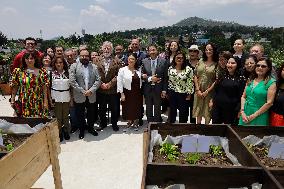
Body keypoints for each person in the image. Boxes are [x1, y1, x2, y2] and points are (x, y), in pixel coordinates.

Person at [69, 49, 101, 139]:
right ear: (79, 56)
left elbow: (98, 80)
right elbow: (72, 81)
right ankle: (82, 130)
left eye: (86, 56)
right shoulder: (74, 66)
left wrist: (91, 90)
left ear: (89, 56)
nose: (84, 57)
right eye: (82, 56)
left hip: (91, 95)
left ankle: (91, 128)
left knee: (91, 113)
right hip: (79, 95)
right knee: (80, 114)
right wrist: (82, 91)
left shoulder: (94, 67)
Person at [239, 57, 276, 126]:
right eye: (258, 65)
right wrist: (242, 111)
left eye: (263, 66)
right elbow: (243, 97)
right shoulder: (251, 79)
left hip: (259, 114)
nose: (260, 68)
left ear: (268, 68)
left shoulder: (271, 82)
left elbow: (269, 103)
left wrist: (253, 115)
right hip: (245, 113)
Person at [10, 52, 49, 118]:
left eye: (31, 58)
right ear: (24, 60)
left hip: (38, 101)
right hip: (23, 102)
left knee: (38, 124)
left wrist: (45, 102)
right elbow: (15, 87)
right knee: (24, 124)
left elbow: (44, 87)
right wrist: (12, 100)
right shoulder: (18, 72)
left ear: (35, 59)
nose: (29, 60)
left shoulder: (42, 71)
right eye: (27, 58)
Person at [211, 56, 246, 125]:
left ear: (237, 65)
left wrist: (240, 109)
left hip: (231, 110)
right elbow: (216, 90)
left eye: (233, 63)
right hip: (217, 108)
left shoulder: (241, 79)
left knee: (229, 131)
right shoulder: (222, 76)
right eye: (228, 63)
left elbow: (241, 96)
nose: (230, 65)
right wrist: (212, 100)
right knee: (215, 130)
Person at [96, 41, 122, 131]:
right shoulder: (96, 60)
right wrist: (101, 83)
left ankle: (114, 124)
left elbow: (118, 75)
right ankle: (103, 123)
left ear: (112, 49)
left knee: (114, 108)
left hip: (113, 90)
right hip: (101, 89)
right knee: (102, 108)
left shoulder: (117, 60)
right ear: (102, 49)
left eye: (108, 48)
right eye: (105, 48)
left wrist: (110, 84)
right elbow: (94, 74)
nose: (106, 50)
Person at [193, 43, 218, 124]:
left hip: (210, 92)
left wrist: (207, 91)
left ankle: (206, 132)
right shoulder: (200, 61)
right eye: (206, 49)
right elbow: (195, 75)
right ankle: (198, 131)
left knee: (207, 112)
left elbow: (216, 80)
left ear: (214, 51)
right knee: (198, 111)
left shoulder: (216, 63)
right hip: (199, 91)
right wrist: (197, 90)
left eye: (210, 50)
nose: (208, 51)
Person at [142, 45, 167, 122]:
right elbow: (142, 75)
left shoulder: (163, 61)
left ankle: (157, 124)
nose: (152, 52)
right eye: (150, 50)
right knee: (148, 107)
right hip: (147, 89)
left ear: (157, 51)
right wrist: (150, 78)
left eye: (154, 50)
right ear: (148, 52)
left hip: (159, 88)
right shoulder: (144, 61)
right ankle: (150, 123)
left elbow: (165, 77)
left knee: (157, 107)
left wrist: (164, 90)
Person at [117, 53, 143, 131]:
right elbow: (119, 82)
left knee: (136, 107)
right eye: (129, 59)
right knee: (127, 108)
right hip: (127, 92)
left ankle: (135, 123)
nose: (130, 60)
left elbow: (142, 79)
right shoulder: (122, 70)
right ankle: (129, 122)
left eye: (132, 59)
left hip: (137, 93)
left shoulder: (139, 69)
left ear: (135, 60)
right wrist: (122, 94)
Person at [167, 51, 194, 123]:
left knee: (183, 113)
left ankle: (182, 129)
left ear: (184, 59)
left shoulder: (188, 69)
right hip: (172, 93)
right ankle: (172, 129)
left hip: (184, 94)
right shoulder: (170, 68)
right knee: (172, 112)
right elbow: (168, 81)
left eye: (182, 58)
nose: (179, 59)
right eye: (178, 58)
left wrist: (189, 94)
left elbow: (190, 82)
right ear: (174, 58)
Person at [50, 56, 71, 141]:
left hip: (66, 97)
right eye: (57, 63)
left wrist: (72, 99)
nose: (59, 64)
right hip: (56, 98)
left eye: (60, 62)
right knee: (58, 117)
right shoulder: (51, 74)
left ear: (63, 63)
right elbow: (48, 87)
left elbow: (71, 87)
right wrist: (50, 99)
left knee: (65, 116)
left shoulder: (68, 73)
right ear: (54, 64)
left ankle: (66, 131)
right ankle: (59, 132)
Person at [187, 44, 201, 123]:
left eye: (195, 51)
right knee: (185, 109)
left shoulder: (201, 63)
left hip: (197, 89)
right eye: (191, 51)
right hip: (186, 89)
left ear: (198, 52)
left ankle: (194, 125)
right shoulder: (185, 62)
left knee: (195, 109)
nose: (192, 53)